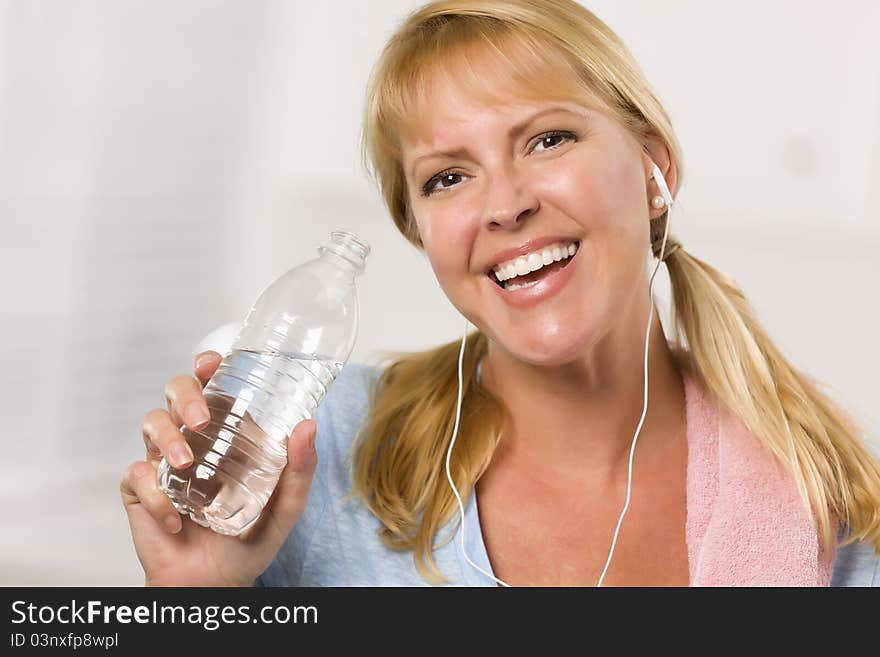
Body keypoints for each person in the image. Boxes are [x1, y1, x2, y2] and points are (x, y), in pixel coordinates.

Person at [121, 0, 880, 587]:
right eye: (448, 177)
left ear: (655, 169)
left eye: (548, 139)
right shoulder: (315, 451)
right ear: (421, 232)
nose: (504, 204)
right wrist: (197, 594)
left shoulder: (822, 495)